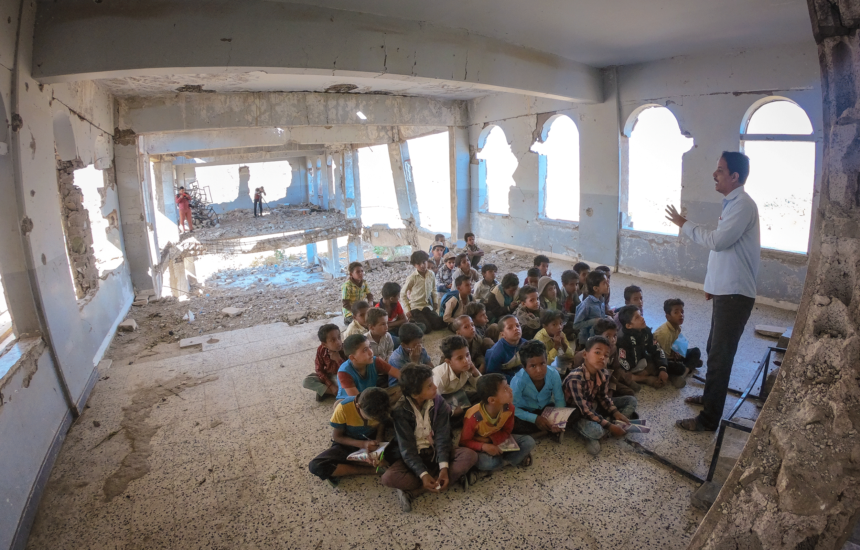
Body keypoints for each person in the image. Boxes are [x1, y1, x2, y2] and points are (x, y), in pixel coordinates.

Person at [665, 151, 760, 432]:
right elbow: (726, 252)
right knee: (713, 349)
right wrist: (712, 286)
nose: (714, 174)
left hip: (736, 294)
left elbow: (718, 242)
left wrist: (685, 225)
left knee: (720, 356)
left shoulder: (742, 204)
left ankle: (708, 420)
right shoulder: (731, 203)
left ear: (735, 176)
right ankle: (709, 398)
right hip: (726, 291)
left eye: (720, 170)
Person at [380, 364, 478, 512]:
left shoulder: (438, 403)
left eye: (432, 383)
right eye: (429, 386)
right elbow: (407, 448)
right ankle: (446, 478)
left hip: (437, 451)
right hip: (415, 456)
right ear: (415, 394)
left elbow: (443, 436)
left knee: (469, 456)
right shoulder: (401, 411)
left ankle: (416, 491)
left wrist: (444, 467)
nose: (435, 387)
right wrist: (423, 474)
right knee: (388, 478)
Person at [563, 336, 638, 456]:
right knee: (596, 431)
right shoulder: (575, 378)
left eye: (606, 355)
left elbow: (603, 397)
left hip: (593, 406)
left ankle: (608, 424)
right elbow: (585, 410)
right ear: (585, 355)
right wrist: (610, 426)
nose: (602, 357)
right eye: (597, 352)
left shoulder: (603, 373)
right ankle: (601, 429)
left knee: (631, 401)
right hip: (577, 414)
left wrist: (616, 412)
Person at [308, 387, 394, 487]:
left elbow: (381, 427)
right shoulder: (343, 408)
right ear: (358, 406)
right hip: (348, 442)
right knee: (316, 466)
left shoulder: (381, 408)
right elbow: (337, 437)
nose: (374, 421)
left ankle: (362, 462)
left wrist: (379, 445)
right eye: (371, 418)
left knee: (397, 454)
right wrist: (363, 444)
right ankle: (371, 469)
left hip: (371, 441)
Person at [460, 373, 536, 471]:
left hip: (497, 439)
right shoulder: (473, 417)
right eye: (505, 389)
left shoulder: (509, 408)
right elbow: (464, 442)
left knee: (529, 442)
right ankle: (510, 460)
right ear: (492, 400)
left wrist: (491, 440)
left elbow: (507, 431)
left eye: (508, 386)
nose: (511, 390)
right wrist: (484, 446)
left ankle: (503, 462)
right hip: (480, 445)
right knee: (487, 462)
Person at [616, 305, 684, 389]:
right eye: (637, 318)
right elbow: (623, 367)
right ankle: (649, 378)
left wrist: (663, 369)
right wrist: (646, 373)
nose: (642, 318)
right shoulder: (622, 340)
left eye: (641, 315)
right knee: (621, 375)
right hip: (631, 369)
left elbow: (656, 349)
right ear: (629, 326)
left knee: (679, 367)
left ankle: (663, 374)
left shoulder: (645, 331)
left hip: (643, 362)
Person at [510, 340, 566, 439]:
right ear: (524, 367)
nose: (539, 370)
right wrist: (535, 419)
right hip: (526, 411)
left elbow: (559, 399)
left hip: (545, 408)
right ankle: (547, 431)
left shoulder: (553, 374)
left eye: (542, 363)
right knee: (512, 422)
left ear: (546, 360)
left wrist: (558, 420)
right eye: (533, 366)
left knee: (572, 411)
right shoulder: (518, 381)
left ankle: (543, 431)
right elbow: (513, 408)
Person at [572, 318, 640, 397]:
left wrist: (614, 383)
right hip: (589, 383)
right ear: (598, 337)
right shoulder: (586, 355)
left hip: (606, 376)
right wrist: (610, 388)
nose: (612, 340)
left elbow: (616, 369)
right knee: (620, 394)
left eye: (615, 336)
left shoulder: (613, 349)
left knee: (632, 390)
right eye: (607, 336)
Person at [335, 334, 401, 404]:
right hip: (353, 402)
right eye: (365, 350)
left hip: (371, 396)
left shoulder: (375, 361)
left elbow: (399, 374)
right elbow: (358, 401)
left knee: (401, 389)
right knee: (339, 405)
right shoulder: (344, 372)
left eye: (370, 347)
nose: (371, 352)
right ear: (352, 358)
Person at [432, 335, 481, 418]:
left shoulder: (467, 367)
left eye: (467, 355)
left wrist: (474, 371)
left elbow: (480, 386)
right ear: (448, 361)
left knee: (484, 395)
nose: (466, 361)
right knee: (443, 418)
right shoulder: (440, 376)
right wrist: (452, 411)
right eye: (460, 358)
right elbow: (433, 401)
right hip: (442, 397)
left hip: (457, 394)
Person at [654, 299, 704, 378]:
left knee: (696, 351)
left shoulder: (677, 327)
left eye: (682, 312)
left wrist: (674, 353)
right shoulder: (664, 333)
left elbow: (672, 345)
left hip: (668, 353)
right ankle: (687, 368)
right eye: (676, 312)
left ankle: (686, 369)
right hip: (660, 360)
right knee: (678, 367)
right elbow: (663, 357)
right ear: (668, 317)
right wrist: (673, 357)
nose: (681, 315)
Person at [401, 251, 446, 332]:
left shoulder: (431, 274)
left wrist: (435, 302)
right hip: (415, 307)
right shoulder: (412, 278)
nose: (422, 265)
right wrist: (407, 309)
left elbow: (434, 289)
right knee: (426, 328)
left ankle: (422, 320)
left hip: (427, 306)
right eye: (418, 264)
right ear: (414, 265)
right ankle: (412, 321)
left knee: (439, 324)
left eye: (424, 262)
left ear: (427, 261)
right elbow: (402, 294)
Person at [303, 324, 347, 401]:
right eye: (333, 340)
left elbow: (350, 371)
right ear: (324, 344)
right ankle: (332, 392)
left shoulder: (346, 349)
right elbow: (319, 370)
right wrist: (331, 386)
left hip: (342, 377)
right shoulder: (321, 350)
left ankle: (325, 392)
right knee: (307, 381)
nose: (338, 342)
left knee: (347, 383)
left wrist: (338, 359)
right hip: (329, 377)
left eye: (339, 337)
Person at [387, 323, 433, 387]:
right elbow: (409, 382)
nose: (419, 347)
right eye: (415, 345)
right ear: (404, 345)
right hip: (400, 386)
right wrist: (414, 362)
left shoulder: (421, 349)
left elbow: (431, 368)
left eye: (421, 343)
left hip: (417, 380)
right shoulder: (397, 359)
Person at [485, 315, 527, 383]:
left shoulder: (525, 344)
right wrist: (514, 379)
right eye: (510, 328)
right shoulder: (497, 352)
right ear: (502, 334)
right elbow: (492, 374)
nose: (516, 329)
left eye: (517, 325)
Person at [573, 271, 611, 343]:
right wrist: (594, 321)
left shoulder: (601, 300)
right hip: (586, 341)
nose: (608, 285)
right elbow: (576, 325)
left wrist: (606, 317)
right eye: (604, 283)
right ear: (596, 289)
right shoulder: (586, 305)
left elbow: (599, 317)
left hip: (598, 337)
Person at [533, 310, 575, 376]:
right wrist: (556, 346)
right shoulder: (540, 339)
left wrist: (563, 343)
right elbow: (545, 362)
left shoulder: (561, 334)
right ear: (545, 326)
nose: (559, 327)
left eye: (561, 323)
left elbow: (571, 355)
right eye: (554, 324)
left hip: (554, 363)